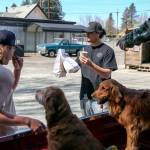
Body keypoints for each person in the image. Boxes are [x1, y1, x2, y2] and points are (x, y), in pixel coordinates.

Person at [0, 30, 45, 134]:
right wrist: (28, 121)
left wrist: (17, 71)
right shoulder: (3, 73)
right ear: (7, 48)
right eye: (13, 48)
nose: (14, 52)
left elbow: (7, 94)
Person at [76, 22, 118, 116]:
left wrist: (91, 64)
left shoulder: (107, 50)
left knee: (101, 127)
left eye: (90, 32)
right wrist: (63, 63)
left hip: (101, 98)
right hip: (85, 96)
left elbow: (107, 74)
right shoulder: (84, 49)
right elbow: (74, 67)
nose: (86, 34)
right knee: (88, 127)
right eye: (86, 32)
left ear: (98, 34)